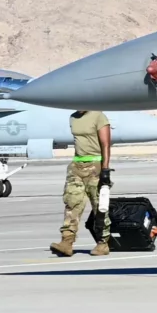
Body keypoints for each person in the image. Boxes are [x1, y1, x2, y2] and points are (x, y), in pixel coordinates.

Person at [50, 108, 113, 258]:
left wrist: (105, 169)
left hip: (95, 165)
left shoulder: (99, 116)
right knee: (72, 203)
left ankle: (102, 243)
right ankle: (67, 242)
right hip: (77, 166)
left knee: (99, 206)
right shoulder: (73, 118)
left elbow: (105, 144)